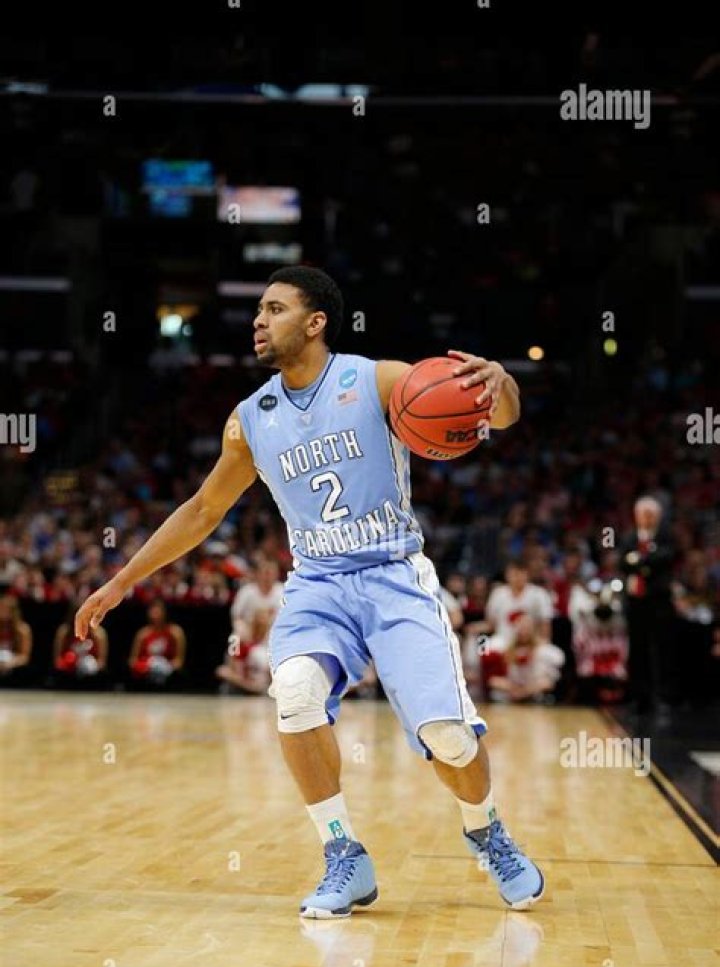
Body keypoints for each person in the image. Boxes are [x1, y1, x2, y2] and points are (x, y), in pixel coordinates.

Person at [75, 266, 544, 917]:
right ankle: (343, 854)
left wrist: (502, 385)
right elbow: (204, 508)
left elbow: (496, 415)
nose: (259, 320)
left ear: (316, 321)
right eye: (259, 310)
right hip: (318, 583)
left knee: (448, 738)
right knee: (294, 694)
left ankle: (486, 830)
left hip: (394, 577)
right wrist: (122, 580)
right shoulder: (250, 419)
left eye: (275, 309)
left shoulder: (377, 380)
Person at [619, 496, 675, 716]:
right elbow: (623, 562)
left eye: (651, 515)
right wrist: (647, 562)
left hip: (658, 602)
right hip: (635, 602)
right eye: (643, 514)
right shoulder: (628, 537)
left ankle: (662, 696)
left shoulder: (666, 536)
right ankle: (638, 696)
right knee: (637, 650)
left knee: (660, 650)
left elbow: (665, 559)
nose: (647, 519)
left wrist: (640, 561)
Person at [128, 598, 186, 689]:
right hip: (146, 671)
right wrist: (146, 667)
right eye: (153, 609)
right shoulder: (143, 634)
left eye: (159, 609)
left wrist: (166, 667)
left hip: (168, 672)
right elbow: (133, 661)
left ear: (165, 612)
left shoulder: (175, 633)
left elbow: (179, 661)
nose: (155, 612)